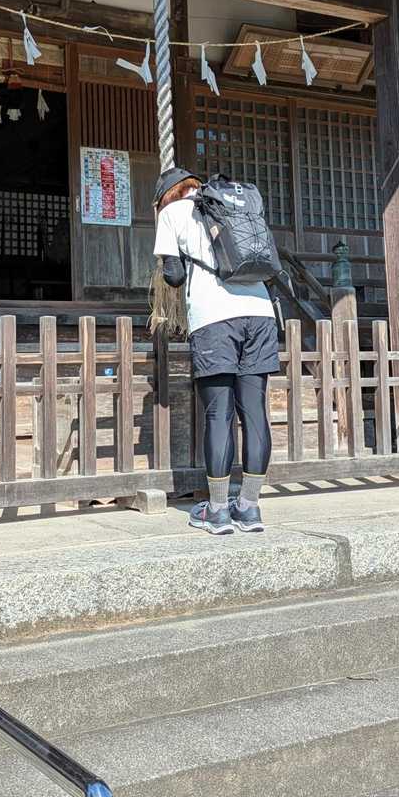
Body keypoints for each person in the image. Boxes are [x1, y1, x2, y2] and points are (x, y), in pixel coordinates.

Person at [151, 166, 280, 535]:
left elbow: (174, 275)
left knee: (218, 414)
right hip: (260, 314)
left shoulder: (172, 213)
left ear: (165, 197)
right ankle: (250, 508)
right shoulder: (235, 205)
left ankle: (218, 510)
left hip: (214, 319)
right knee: (254, 411)